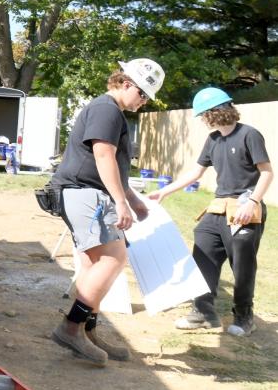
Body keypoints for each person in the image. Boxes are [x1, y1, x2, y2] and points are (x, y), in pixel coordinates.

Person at [46, 58, 164, 365]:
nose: (144, 102)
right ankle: (71, 327)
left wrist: (132, 199)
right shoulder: (106, 109)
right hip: (82, 191)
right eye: (143, 94)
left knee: (94, 263)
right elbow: (102, 156)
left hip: (86, 191)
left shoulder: (112, 112)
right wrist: (121, 203)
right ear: (126, 84)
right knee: (113, 257)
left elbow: (114, 168)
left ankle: (87, 329)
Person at [149, 87, 270, 336]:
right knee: (202, 251)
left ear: (215, 113)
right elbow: (196, 173)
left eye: (204, 115)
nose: (203, 120)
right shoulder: (213, 140)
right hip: (218, 208)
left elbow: (267, 172)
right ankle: (203, 312)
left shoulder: (249, 134)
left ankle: (244, 316)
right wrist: (165, 191)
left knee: (242, 266)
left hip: (245, 208)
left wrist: (253, 202)